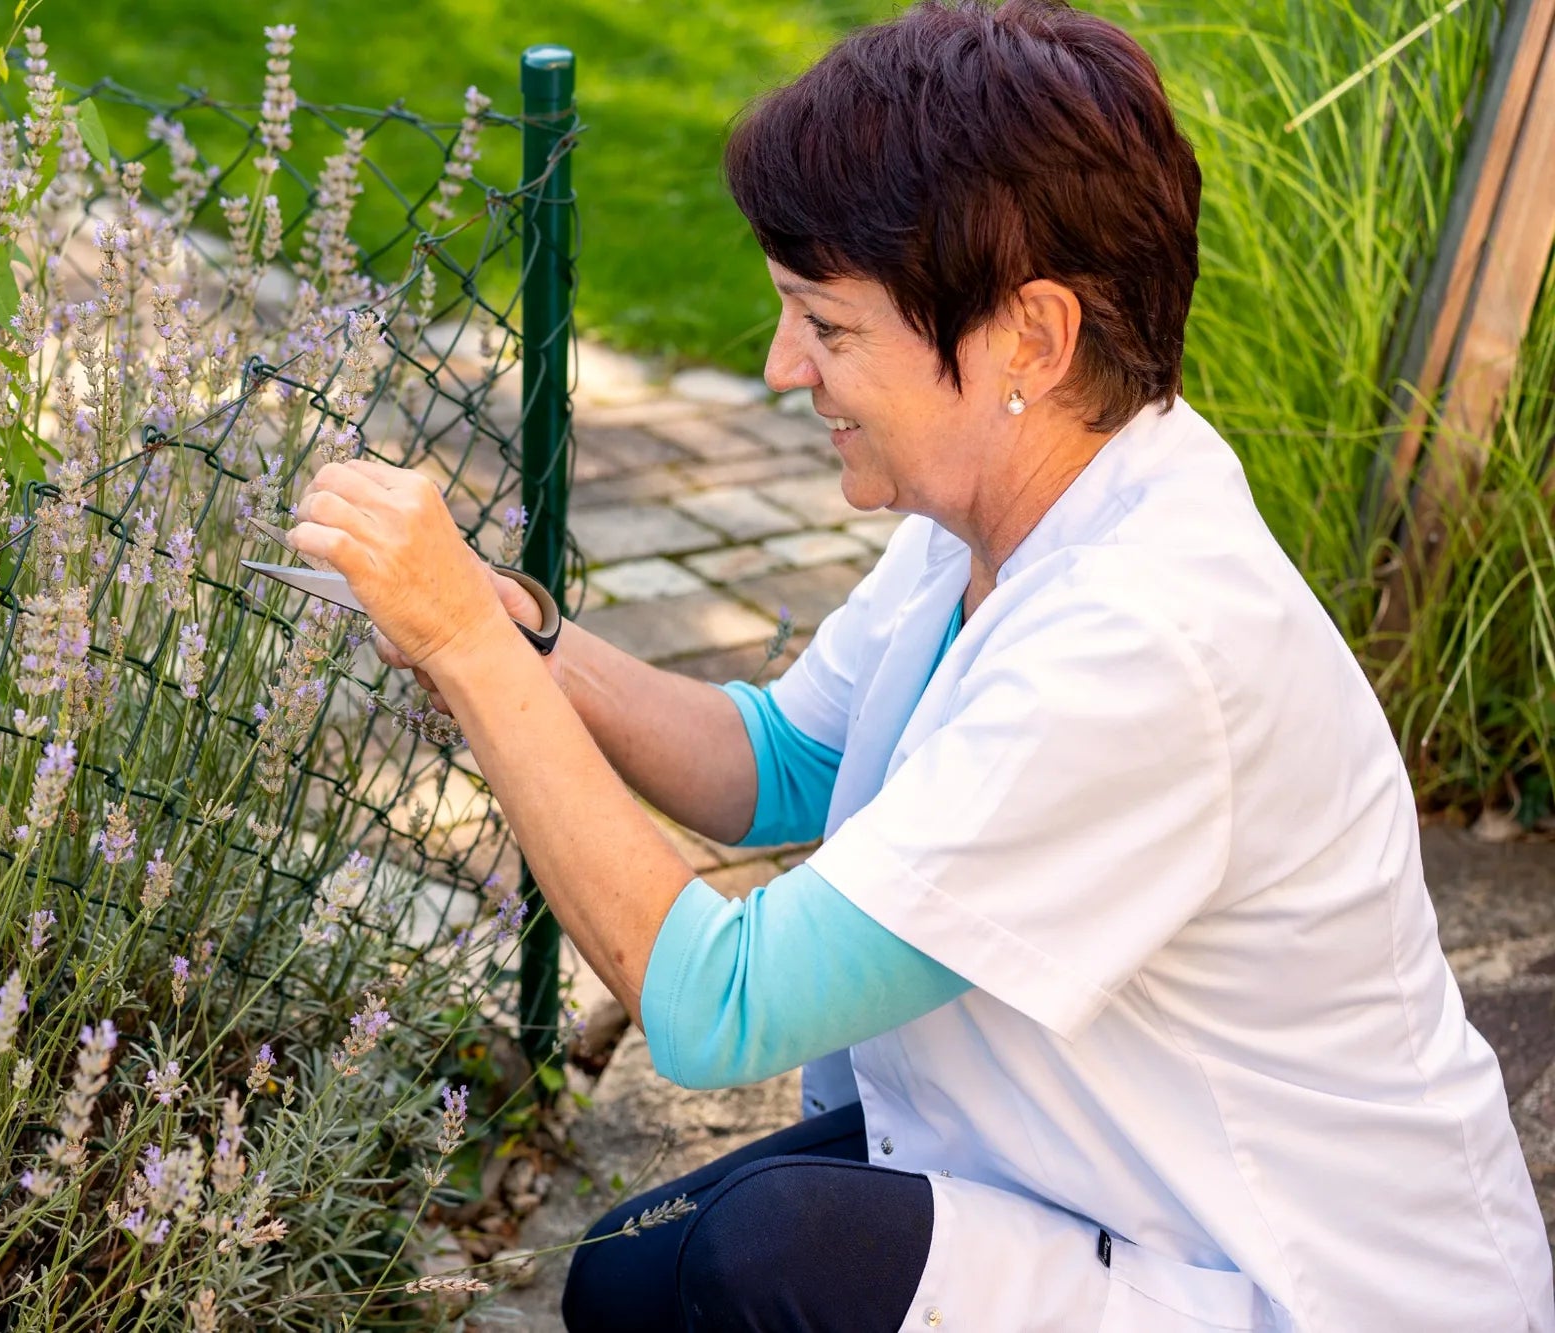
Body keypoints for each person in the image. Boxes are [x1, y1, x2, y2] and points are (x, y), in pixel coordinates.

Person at [286, 1, 1555, 1328]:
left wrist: (465, 651)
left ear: (1032, 340)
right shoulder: (1004, 516)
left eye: (828, 328)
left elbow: (720, 1005)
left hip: (1303, 1281)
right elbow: (777, 762)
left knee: (756, 1269)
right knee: (626, 1280)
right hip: (1092, 1165)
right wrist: (528, 645)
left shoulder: (1143, 648)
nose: (783, 367)